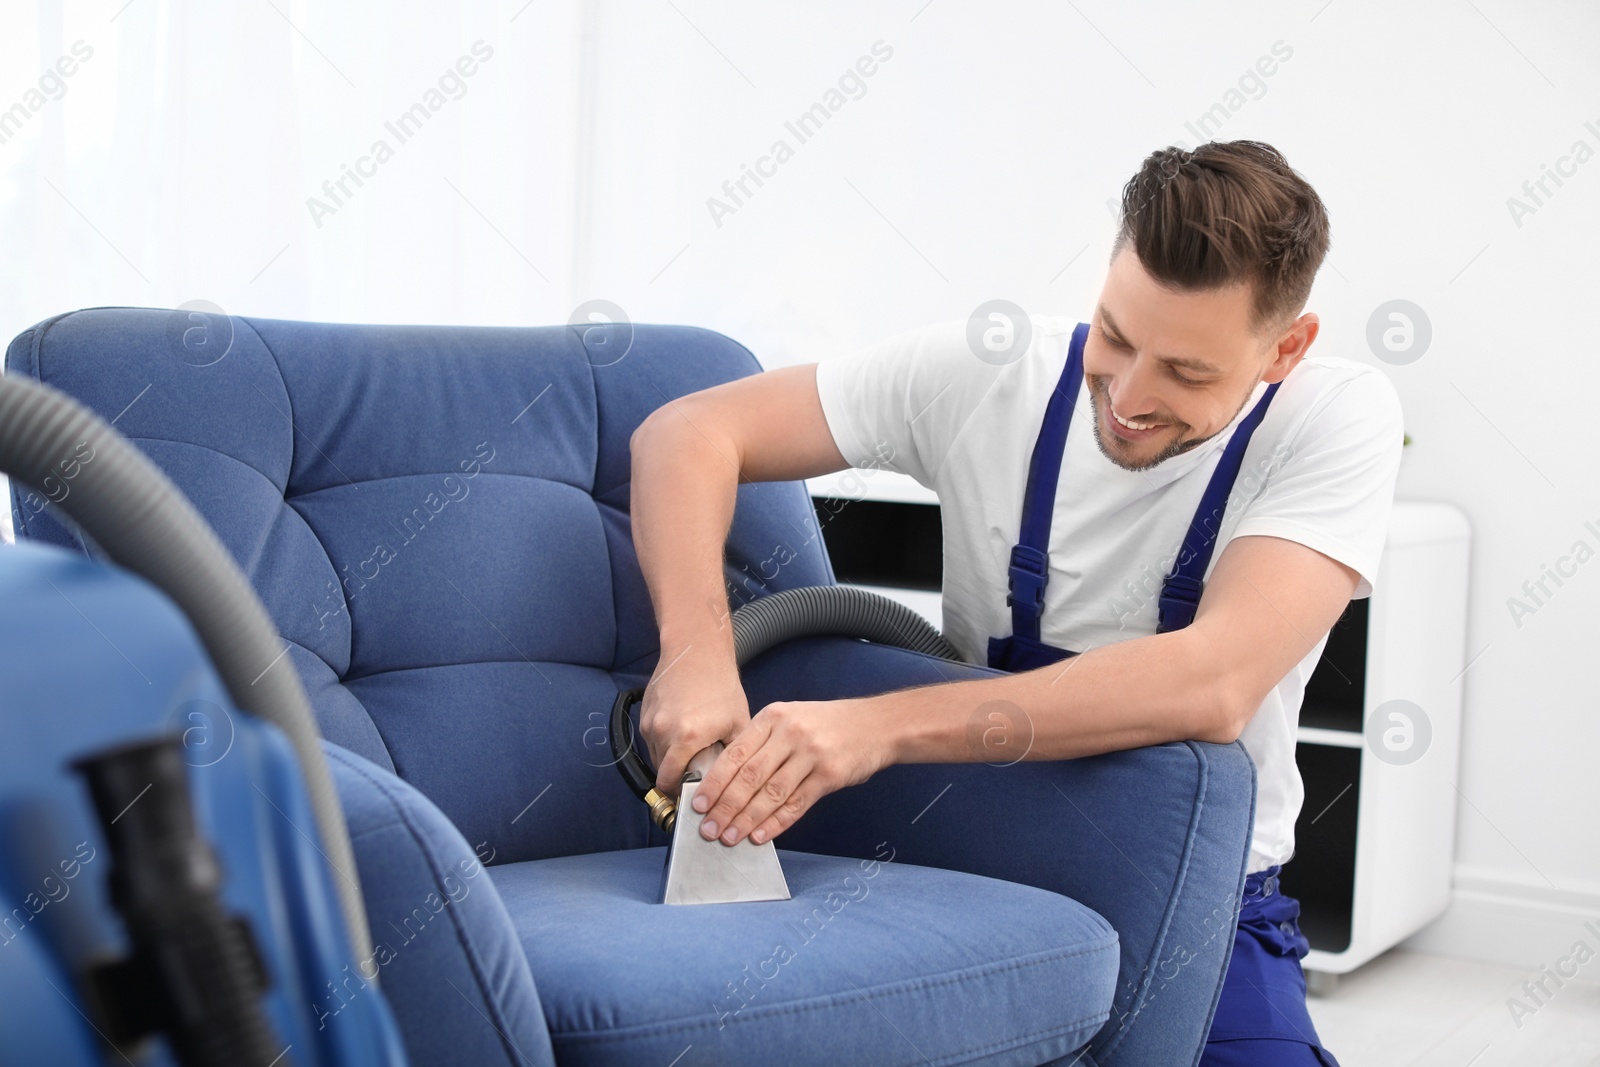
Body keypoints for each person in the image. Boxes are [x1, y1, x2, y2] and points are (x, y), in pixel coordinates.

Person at [627, 140, 1403, 1067]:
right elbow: (690, 432)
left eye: (1188, 374)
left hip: (1208, 901)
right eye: (1116, 334)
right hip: (976, 858)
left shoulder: (1334, 419)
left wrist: (876, 729)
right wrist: (696, 652)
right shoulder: (994, 375)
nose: (1129, 396)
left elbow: (1213, 680)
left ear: (1286, 348)